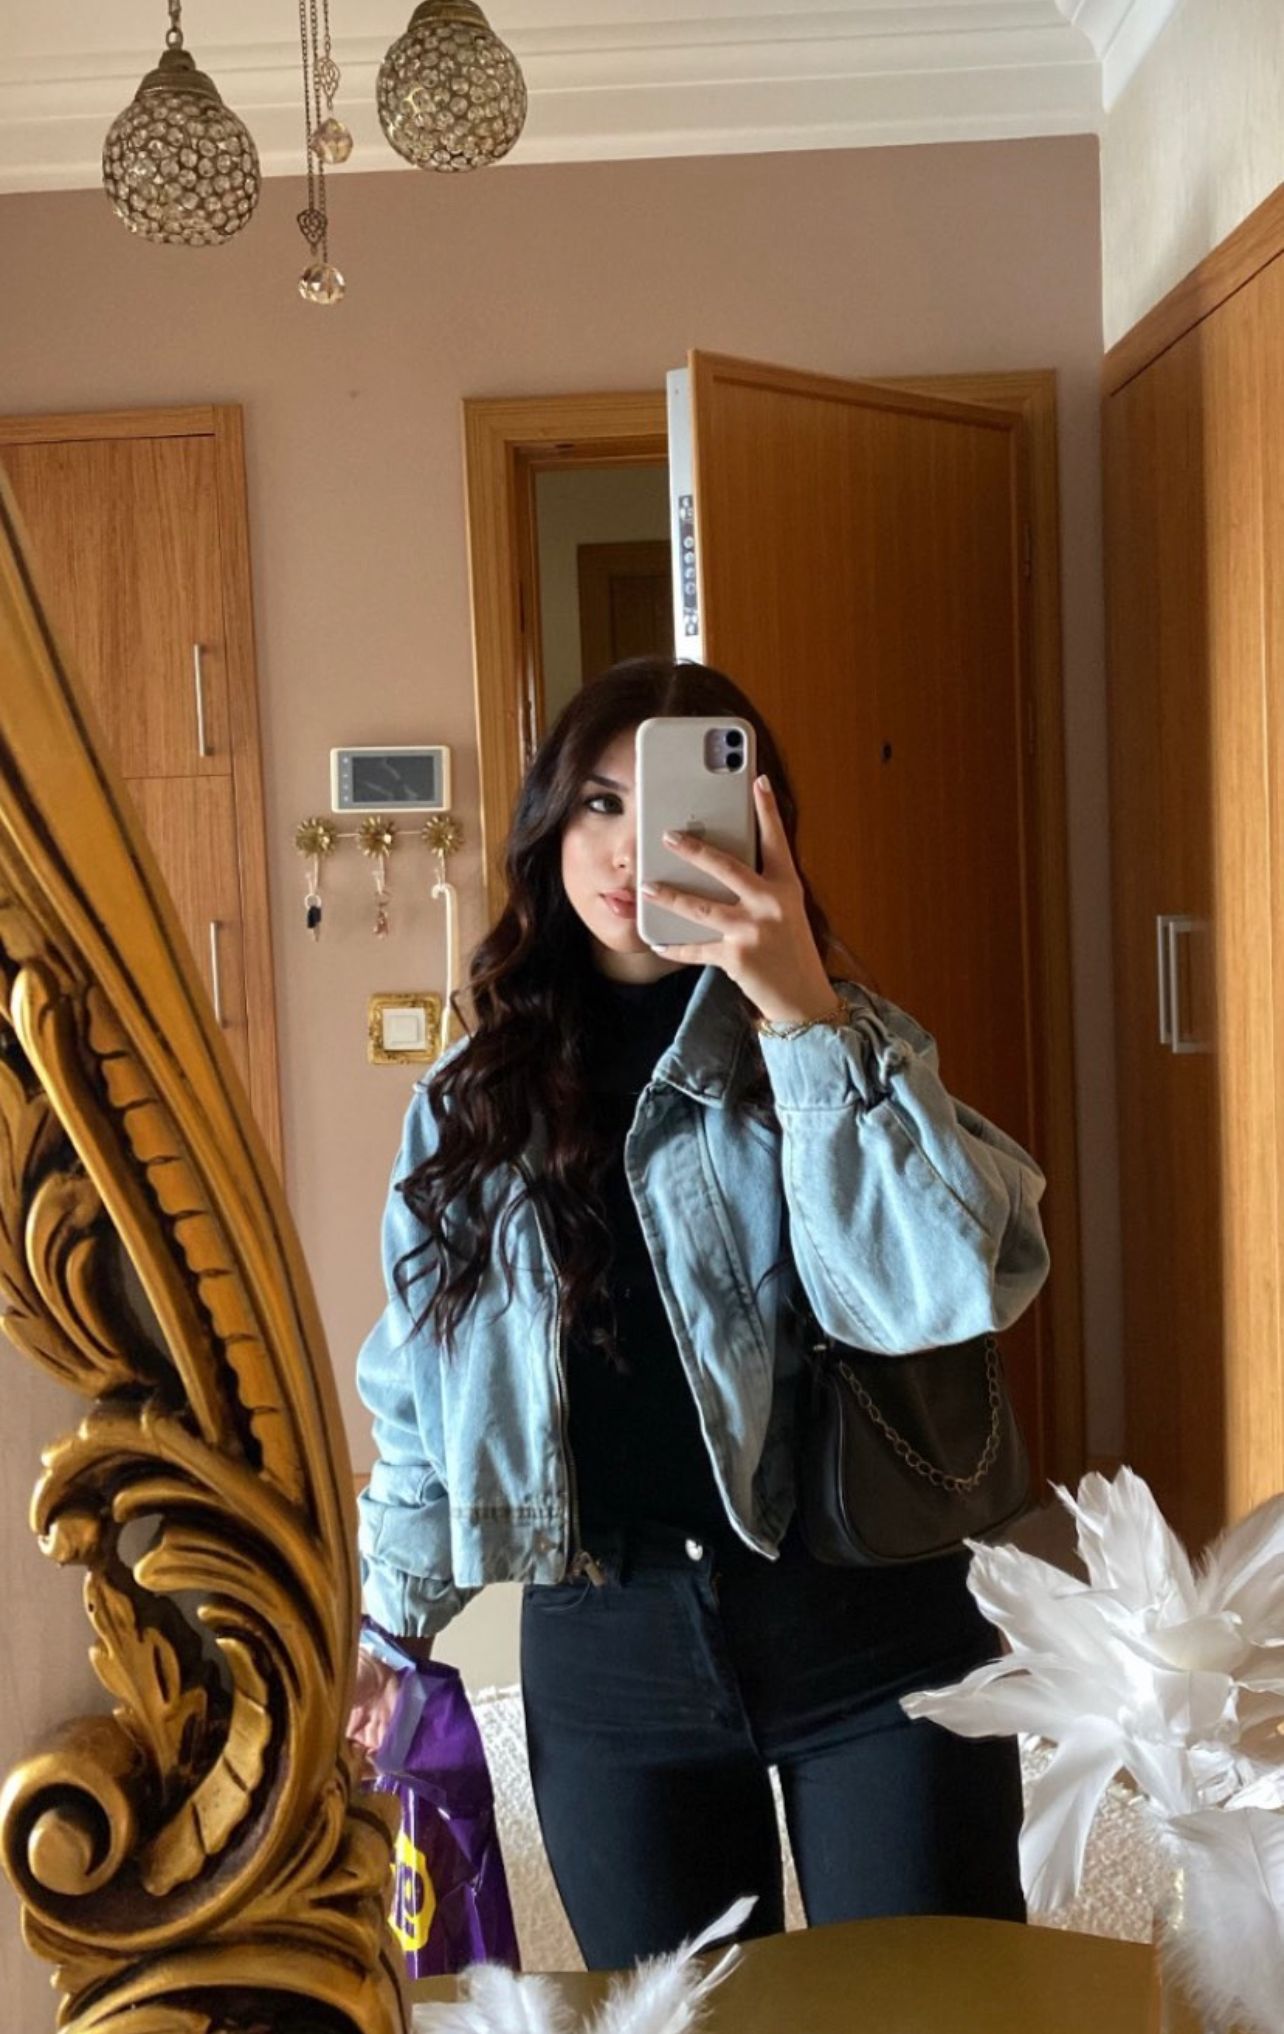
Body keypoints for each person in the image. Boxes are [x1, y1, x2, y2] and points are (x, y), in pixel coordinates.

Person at [349, 655, 1050, 1971]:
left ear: (755, 828)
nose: (630, 848)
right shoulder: (470, 1105)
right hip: (608, 1664)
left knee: (934, 2005)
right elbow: (423, 1403)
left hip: (872, 1632)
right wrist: (391, 1625)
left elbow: (948, 1285)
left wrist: (803, 1016)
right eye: (599, 802)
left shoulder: (842, 1042)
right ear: (549, 825)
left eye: (672, 806)